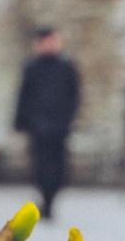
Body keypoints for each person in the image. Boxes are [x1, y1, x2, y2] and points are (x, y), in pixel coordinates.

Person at [15, 27, 80, 219]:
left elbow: (74, 96)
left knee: (58, 167)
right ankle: (45, 199)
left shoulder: (66, 67)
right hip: (38, 125)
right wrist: (20, 121)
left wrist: (68, 119)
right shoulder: (32, 67)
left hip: (59, 126)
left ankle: (51, 199)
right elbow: (24, 95)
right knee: (40, 166)